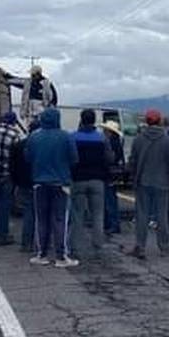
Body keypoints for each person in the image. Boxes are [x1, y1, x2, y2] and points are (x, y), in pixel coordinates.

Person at [25, 108, 79, 267]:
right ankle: (61, 256)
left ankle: (41, 254)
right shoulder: (66, 137)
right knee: (60, 219)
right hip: (61, 183)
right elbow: (74, 159)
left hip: (39, 183)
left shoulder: (34, 137)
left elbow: (27, 158)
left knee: (41, 220)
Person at [128, 109, 169, 259]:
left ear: (147, 121)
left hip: (143, 181)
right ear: (160, 121)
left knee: (142, 215)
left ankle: (140, 247)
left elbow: (133, 161)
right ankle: (164, 247)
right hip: (162, 183)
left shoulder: (139, 139)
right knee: (162, 216)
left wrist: (133, 177)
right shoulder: (167, 140)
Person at [70, 109, 112, 261]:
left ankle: (75, 247)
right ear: (94, 121)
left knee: (77, 215)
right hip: (97, 180)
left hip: (78, 180)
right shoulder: (102, 138)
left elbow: (70, 158)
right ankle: (98, 245)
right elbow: (109, 158)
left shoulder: (73, 137)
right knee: (98, 215)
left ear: (81, 119)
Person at [0, 111, 22, 246]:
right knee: (4, 206)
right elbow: (18, 157)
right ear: (13, 122)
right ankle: (3, 235)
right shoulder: (15, 135)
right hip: (7, 175)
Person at [11, 121, 37, 253]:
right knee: (43, 215)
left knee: (28, 213)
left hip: (23, 183)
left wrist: (16, 182)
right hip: (39, 182)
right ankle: (41, 244)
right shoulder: (39, 145)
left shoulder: (19, 145)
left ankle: (26, 243)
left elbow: (13, 165)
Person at [100, 120, 125, 236]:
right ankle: (112, 224)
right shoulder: (117, 142)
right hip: (113, 175)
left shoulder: (110, 143)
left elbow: (110, 159)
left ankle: (113, 224)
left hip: (108, 174)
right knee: (110, 200)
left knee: (109, 201)